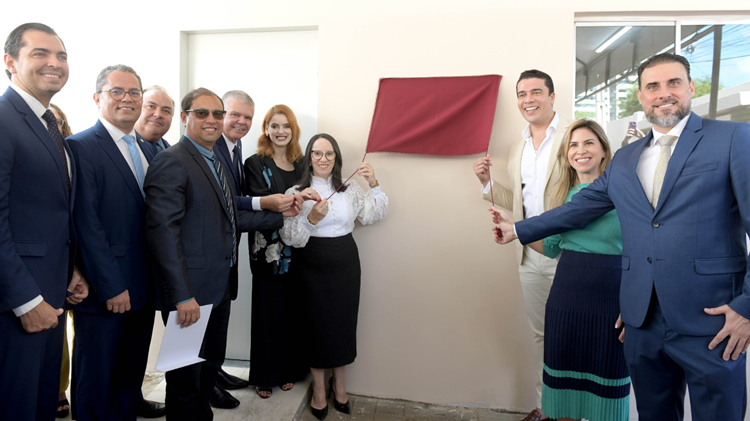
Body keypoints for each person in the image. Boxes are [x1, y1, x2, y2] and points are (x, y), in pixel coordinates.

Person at [494, 53, 750, 420]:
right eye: (652, 86)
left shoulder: (733, 139)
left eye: (673, 83)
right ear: (642, 97)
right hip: (641, 320)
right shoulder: (626, 159)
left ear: (690, 88)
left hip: (711, 319)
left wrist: (746, 307)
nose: (663, 93)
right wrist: (518, 230)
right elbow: (578, 208)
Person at [144, 88, 288, 421]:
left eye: (217, 114)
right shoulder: (172, 161)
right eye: (202, 113)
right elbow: (162, 235)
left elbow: (232, 218)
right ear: (184, 117)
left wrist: (287, 214)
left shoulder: (214, 161)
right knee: (184, 379)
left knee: (208, 369)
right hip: (189, 295)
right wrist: (182, 297)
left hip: (218, 287)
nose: (212, 120)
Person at [492, 120, 629, 421]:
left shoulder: (625, 192)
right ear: (566, 154)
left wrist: (517, 229)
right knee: (563, 392)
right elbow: (552, 246)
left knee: (608, 387)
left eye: (589, 143)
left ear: (605, 150)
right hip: (567, 299)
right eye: (574, 145)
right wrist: (514, 228)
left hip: (611, 299)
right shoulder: (564, 195)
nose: (581, 150)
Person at [0, 22, 88, 420]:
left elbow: (48, 212)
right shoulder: (5, 119)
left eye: (62, 56)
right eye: (40, 54)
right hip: (18, 304)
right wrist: (25, 300)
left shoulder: (46, 122)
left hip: (52, 293)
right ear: (10, 62)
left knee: (41, 405)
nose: (54, 63)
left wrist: (68, 270)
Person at [67, 64, 160, 421]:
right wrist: (110, 286)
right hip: (106, 290)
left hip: (142, 286)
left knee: (128, 379)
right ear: (97, 98)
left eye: (134, 92)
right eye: (116, 91)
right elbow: (86, 223)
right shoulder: (80, 147)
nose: (127, 99)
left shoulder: (147, 149)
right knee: (96, 381)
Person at [472, 69, 564, 421]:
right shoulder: (517, 147)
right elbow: (520, 202)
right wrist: (487, 182)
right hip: (528, 253)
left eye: (536, 92)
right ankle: (546, 408)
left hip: (567, 253)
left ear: (552, 97)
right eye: (522, 94)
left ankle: (571, 411)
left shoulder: (574, 137)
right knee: (542, 337)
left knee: (572, 335)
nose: (528, 100)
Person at [281, 133, 388, 420]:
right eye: (317, 154)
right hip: (310, 264)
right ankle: (318, 389)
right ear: (309, 158)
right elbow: (290, 238)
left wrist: (374, 183)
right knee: (315, 325)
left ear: (336, 158)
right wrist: (311, 218)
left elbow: (370, 215)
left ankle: (339, 386)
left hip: (345, 263)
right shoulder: (296, 191)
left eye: (329, 154)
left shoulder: (349, 188)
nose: (323, 159)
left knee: (342, 323)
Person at [244, 104, 309, 399]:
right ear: (266, 129)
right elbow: (262, 203)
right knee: (268, 313)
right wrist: (294, 201)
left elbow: (307, 204)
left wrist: (292, 203)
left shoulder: (302, 164)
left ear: (293, 130)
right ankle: (265, 375)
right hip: (269, 253)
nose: (280, 131)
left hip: (299, 250)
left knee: (294, 313)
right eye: (274, 125)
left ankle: (290, 370)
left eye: (286, 126)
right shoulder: (255, 163)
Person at [50, 103, 74, 419]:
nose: (52, 126)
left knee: (69, 328)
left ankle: (60, 387)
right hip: (45, 259)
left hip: (75, 256)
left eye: (57, 122)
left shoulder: (73, 154)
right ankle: (57, 389)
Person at [135, 85, 173, 154]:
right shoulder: (120, 147)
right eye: (151, 106)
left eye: (166, 111)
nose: (158, 115)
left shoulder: (175, 154)